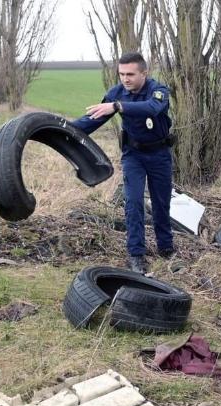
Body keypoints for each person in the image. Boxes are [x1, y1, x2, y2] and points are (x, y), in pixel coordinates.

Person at [72, 52, 175, 274]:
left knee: (161, 203)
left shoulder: (159, 91)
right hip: (133, 156)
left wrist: (118, 107)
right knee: (133, 202)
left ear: (144, 73)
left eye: (130, 74)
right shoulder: (116, 94)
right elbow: (91, 122)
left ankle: (166, 248)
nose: (125, 79)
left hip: (159, 155)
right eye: (121, 74)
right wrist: (56, 127)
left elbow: (152, 108)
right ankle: (136, 254)